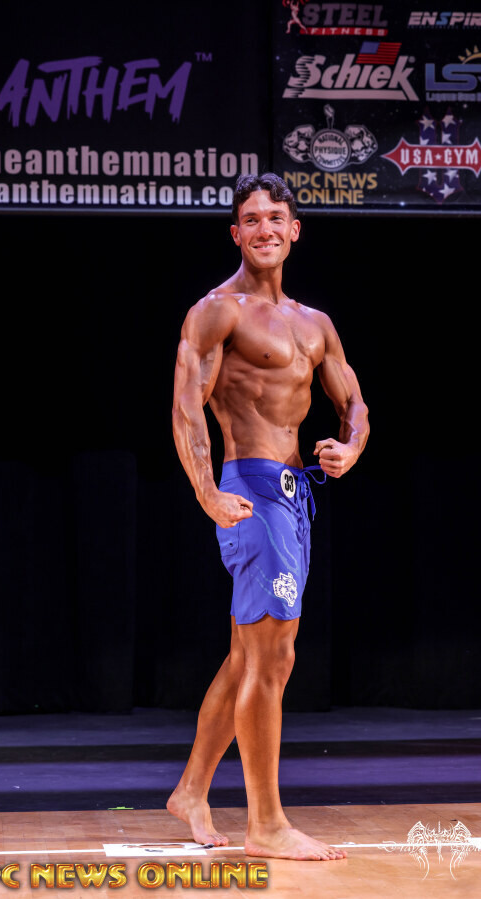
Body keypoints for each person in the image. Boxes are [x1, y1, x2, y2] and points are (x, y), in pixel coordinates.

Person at [168, 173, 369, 861]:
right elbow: (186, 407)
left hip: (294, 494)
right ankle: (267, 824)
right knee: (273, 656)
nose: (264, 229)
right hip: (249, 489)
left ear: (294, 230)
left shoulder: (316, 324)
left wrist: (351, 446)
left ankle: (191, 790)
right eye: (250, 219)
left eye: (275, 218)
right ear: (236, 233)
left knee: (249, 653)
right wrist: (206, 493)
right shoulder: (216, 312)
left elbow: (354, 401)